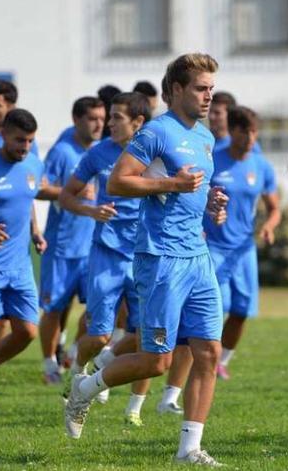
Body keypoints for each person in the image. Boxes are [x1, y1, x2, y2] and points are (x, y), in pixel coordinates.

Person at [64, 52, 228, 467]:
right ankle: (85, 389)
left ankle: (189, 449)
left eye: (211, 88)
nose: (208, 96)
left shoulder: (205, 137)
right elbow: (118, 182)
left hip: (198, 255)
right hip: (161, 258)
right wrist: (172, 182)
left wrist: (212, 203)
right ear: (175, 90)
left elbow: (193, 189)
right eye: (200, 88)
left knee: (208, 351)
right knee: (158, 361)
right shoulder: (156, 132)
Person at [59, 92, 150, 422]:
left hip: (144, 254)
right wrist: (90, 209)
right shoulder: (98, 154)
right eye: (108, 117)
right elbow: (67, 196)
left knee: (147, 339)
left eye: (116, 118)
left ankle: (134, 410)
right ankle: (78, 374)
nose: (108, 123)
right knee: (98, 334)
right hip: (107, 253)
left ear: (138, 122)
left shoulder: (156, 153)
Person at [0, 109, 51, 410]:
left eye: (29, 141)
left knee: (27, 331)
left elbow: (26, 200)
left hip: (21, 265)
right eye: (19, 140)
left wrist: (36, 232)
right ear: (3, 134)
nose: (24, 147)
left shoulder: (33, 164)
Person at [205, 106, 280, 381]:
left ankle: (221, 361)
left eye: (254, 132)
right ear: (232, 130)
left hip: (244, 249)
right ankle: (205, 361)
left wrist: (269, 227)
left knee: (241, 310)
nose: (250, 137)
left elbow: (274, 207)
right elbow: (196, 196)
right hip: (213, 246)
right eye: (244, 131)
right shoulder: (214, 160)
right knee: (215, 308)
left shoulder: (261, 166)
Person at [36, 97, 105, 384]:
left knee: (96, 308)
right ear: (76, 120)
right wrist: (70, 191)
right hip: (62, 246)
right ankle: (49, 363)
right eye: (92, 118)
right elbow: (39, 189)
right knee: (53, 309)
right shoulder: (63, 152)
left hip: (94, 246)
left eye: (102, 118)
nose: (99, 124)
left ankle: (75, 350)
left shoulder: (103, 152)